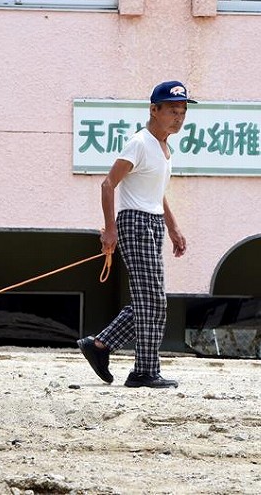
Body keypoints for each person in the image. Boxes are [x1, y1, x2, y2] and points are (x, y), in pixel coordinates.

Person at [77, 80, 195, 388]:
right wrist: (110, 229)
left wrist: (173, 227)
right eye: (172, 110)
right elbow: (108, 184)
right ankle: (143, 370)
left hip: (153, 223)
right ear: (154, 110)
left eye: (182, 111)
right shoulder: (140, 143)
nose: (178, 117)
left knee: (149, 300)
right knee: (152, 301)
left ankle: (101, 345)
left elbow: (158, 193)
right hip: (135, 222)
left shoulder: (164, 148)